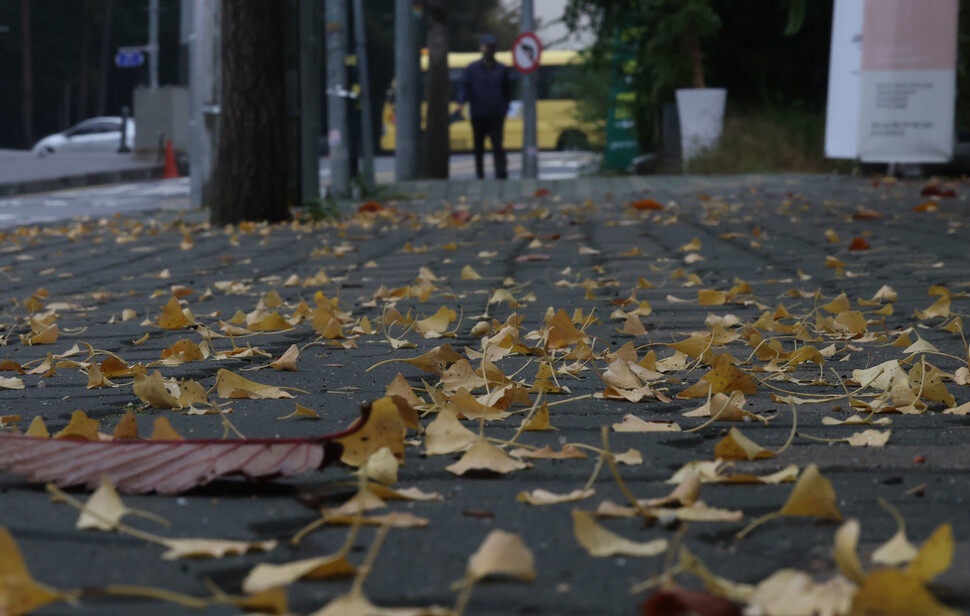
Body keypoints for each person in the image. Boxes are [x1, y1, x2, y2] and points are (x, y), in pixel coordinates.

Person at [456, 33, 511, 179]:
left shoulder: (502, 69)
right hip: (478, 114)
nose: (491, 50)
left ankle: (501, 172)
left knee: (497, 145)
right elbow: (464, 87)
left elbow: (507, 91)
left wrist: (504, 108)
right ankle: (480, 174)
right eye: (488, 47)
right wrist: (460, 102)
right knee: (478, 146)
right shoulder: (471, 69)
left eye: (493, 47)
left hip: (496, 114)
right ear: (482, 48)